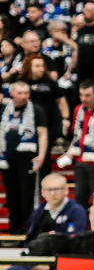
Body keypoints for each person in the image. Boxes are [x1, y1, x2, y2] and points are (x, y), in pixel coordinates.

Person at [1, 173, 88, 270]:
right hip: (31, 261)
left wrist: (49, 265)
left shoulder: (76, 211)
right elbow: (30, 240)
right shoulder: (40, 211)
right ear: (43, 192)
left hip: (60, 264)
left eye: (57, 189)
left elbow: (75, 244)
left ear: (66, 190)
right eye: (49, 190)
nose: (53, 193)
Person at [0, 80, 48, 230]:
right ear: (11, 93)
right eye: (20, 93)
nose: (23, 96)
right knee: (12, 195)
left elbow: (43, 134)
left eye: (26, 93)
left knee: (27, 195)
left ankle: (30, 228)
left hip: (27, 158)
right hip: (7, 158)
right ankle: (15, 229)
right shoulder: (4, 110)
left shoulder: (37, 110)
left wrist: (41, 156)